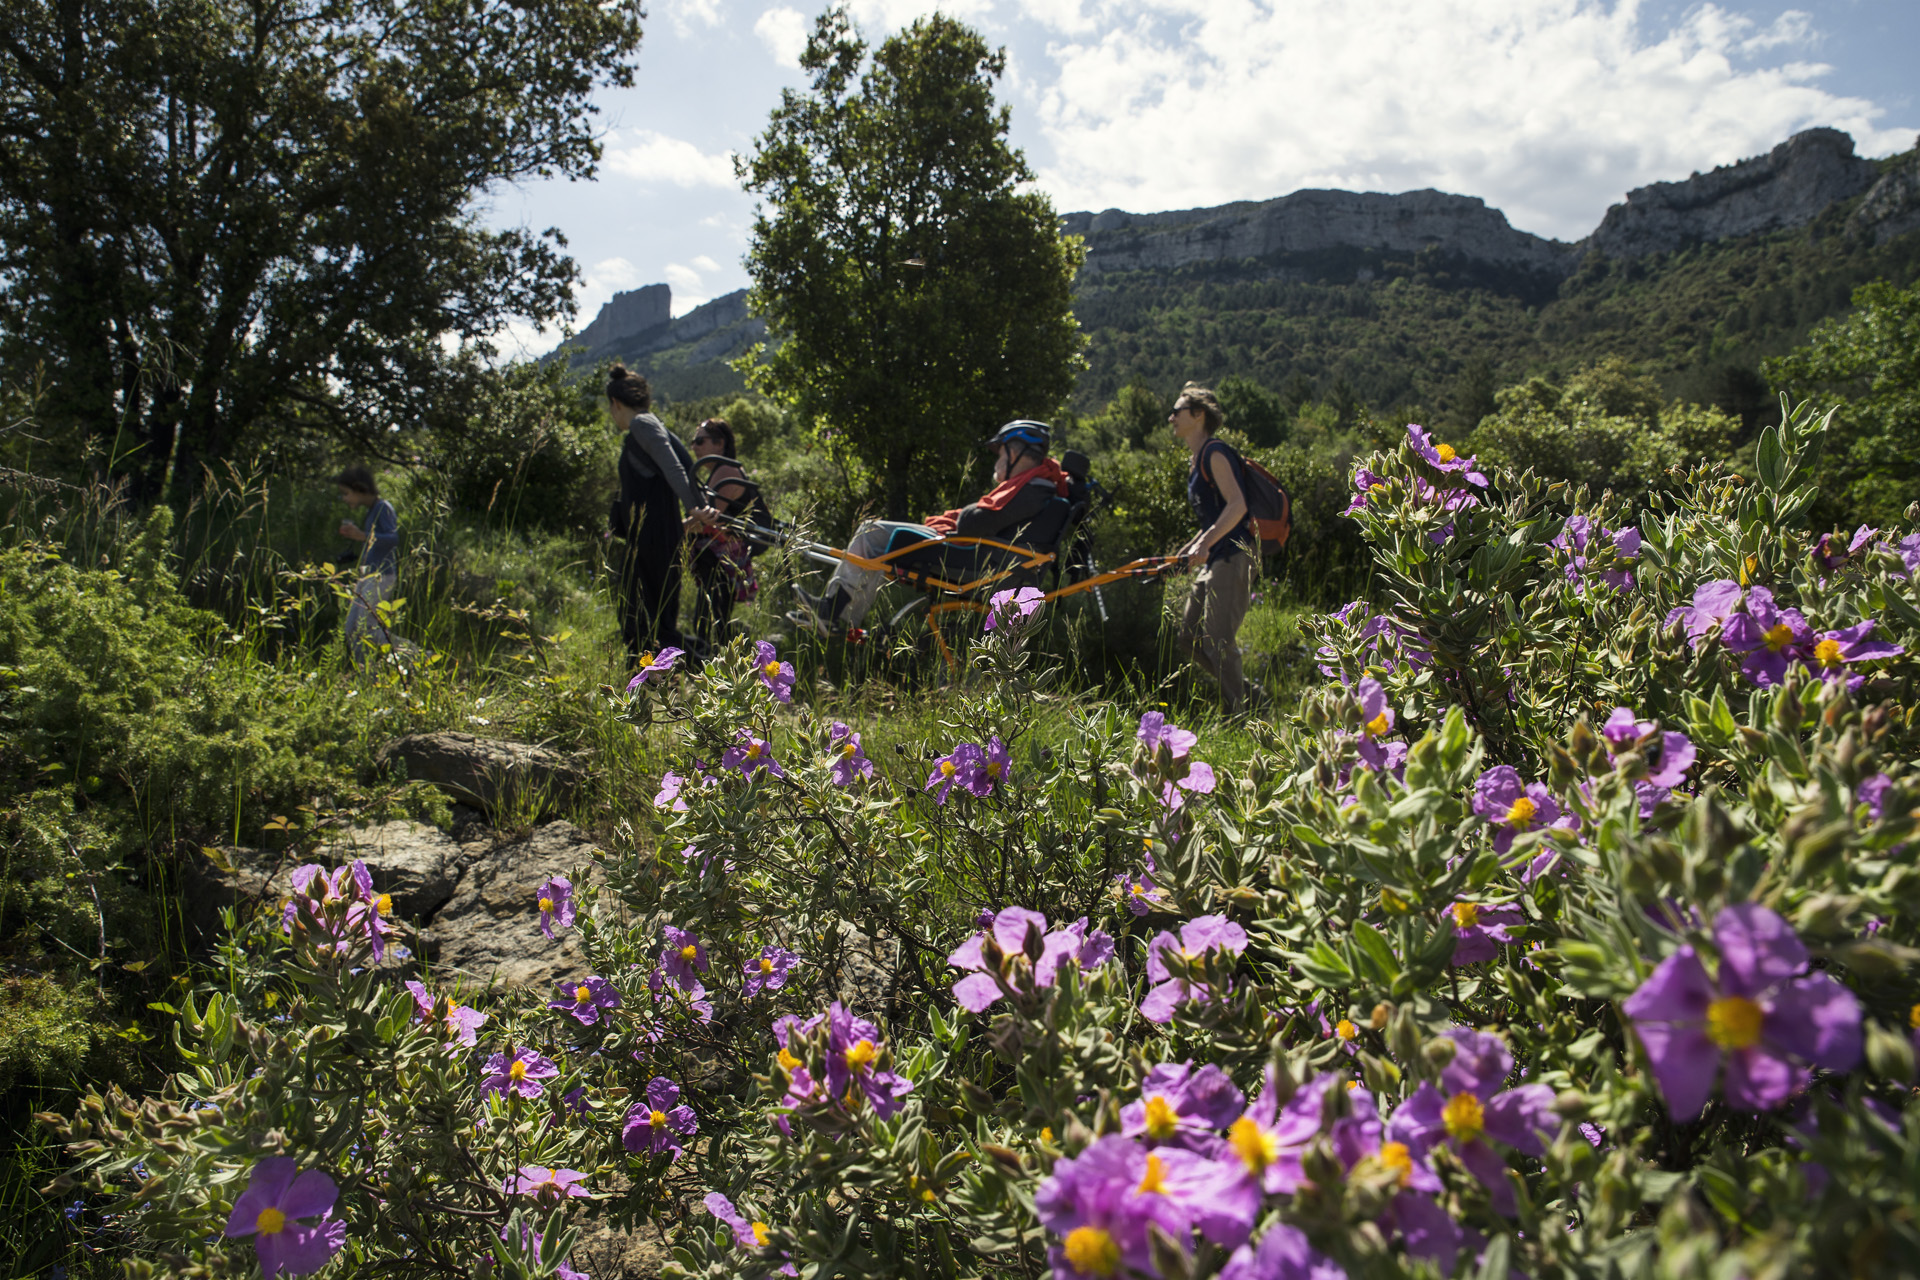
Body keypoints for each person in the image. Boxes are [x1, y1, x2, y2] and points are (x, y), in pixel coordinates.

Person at [790, 421, 1069, 634]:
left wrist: (970, 512)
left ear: (1016, 453)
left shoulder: (1032, 489)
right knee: (871, 533)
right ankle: (835, 612)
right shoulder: (1036, 486)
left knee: (871, 532)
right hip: (979, 553)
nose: (997, 460)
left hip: (972, 557)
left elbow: (971, 524)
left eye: (1001, 452)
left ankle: (834, 613)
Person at [605, 365, 717, 666]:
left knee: (642, 617)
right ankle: (687, 665)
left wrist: (694, 507)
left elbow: (675, 468)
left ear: (615, 403)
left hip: (651, 541)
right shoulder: (653, 424)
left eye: (610, 409)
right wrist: (695, 507)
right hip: (659, 538)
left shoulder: (642, 425)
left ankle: (697, 666)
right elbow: (683, 468)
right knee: (654, 616)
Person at [1169, 383, 1259, 714]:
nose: (1171, 418)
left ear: (1198, 415)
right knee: (1188, 638)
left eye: (1176, 411)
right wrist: (1188, 549)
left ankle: (1242, 715)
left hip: (1234, 555)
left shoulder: (1215, 453)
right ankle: (1250, 696)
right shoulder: (1197, 460)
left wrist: (1205, 543)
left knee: (1217, 641)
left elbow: (1237, 506)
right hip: (1217, 557)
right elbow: (1215, 517)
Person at [686, 417, 755, 653]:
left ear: (719, 443)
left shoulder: (725, 470)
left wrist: (676, 527)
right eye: (693, 442)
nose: (694, 447)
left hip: (721, 559)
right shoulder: (723, 469)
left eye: (699, 441)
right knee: (713, 619)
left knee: (710, 622)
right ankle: (719, 659)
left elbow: (706, 522)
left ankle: (717, 662)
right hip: (721, 558)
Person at [334, 465, 400, 668]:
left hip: (382, 576)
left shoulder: (383, 507)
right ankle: (366, 674)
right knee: (351, 629)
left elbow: (393, 538)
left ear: (360, 488)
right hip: (367, 576)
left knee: (367, 628)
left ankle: (416, 655)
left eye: (346, 493)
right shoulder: (372, 510)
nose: (345, 498)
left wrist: (363, 536)